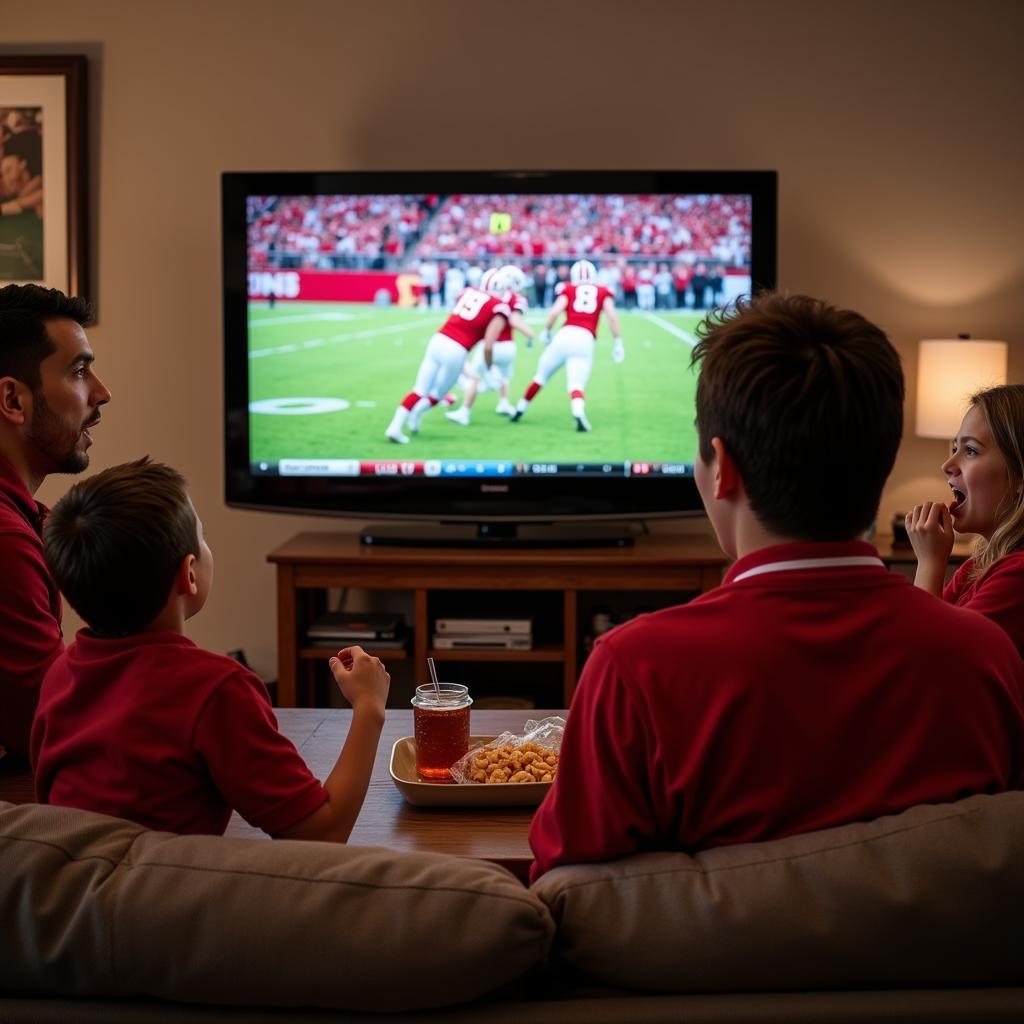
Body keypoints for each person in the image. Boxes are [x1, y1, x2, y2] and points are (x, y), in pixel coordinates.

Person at [529, 293, 1024, 881]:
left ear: (721, 466)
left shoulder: (634, 668)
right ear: (881, 461)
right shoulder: (985, 657)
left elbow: (565, 887)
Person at [31, 458, 390, 841]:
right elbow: (322, 834)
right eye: (202, 538)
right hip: (160, 897)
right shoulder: (216, 690)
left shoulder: (59, 675)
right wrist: (369, 707)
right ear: (189, 573)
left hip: (70, 893)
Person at [0, 284, 110, 761]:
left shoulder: (25, 519)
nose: (103, 393)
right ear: (12, 399)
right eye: (79, 371)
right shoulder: (5, 540)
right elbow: (54, 732)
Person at [907, 384, 1024, 657]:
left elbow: (927, 658)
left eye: (970, 450)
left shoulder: (1018, 575)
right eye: (954, 447)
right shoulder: (978, 567)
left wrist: (930, 562)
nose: (947, 464)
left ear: (1019, 475)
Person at [385, 277, 509, 444]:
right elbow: (488, 345)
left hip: (439, 339)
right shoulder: (499, 307)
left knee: (419, 390)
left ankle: (395, 426)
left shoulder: (469, 292)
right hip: (456, 349)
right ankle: (416, 413)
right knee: (437, 394)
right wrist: (490, 368)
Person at [510, 259, 623, 432]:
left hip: (564, 335)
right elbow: (612, 317)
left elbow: (555, 311)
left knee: (540, 377)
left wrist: (547, 331)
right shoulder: (602, 291)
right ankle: (578, 411)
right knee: (576, 384)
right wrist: (618, 342)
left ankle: (520, 408)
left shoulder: (568, 288)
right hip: (585, 339)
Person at [446, 266, 534, 426]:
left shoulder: (491, 297)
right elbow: (514, 320)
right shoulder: (516, 298)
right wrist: (530, 334)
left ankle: (464, 411)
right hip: (509, 346)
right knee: (505, 377)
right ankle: (504, 402)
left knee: (474, 376)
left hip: (491, 344)